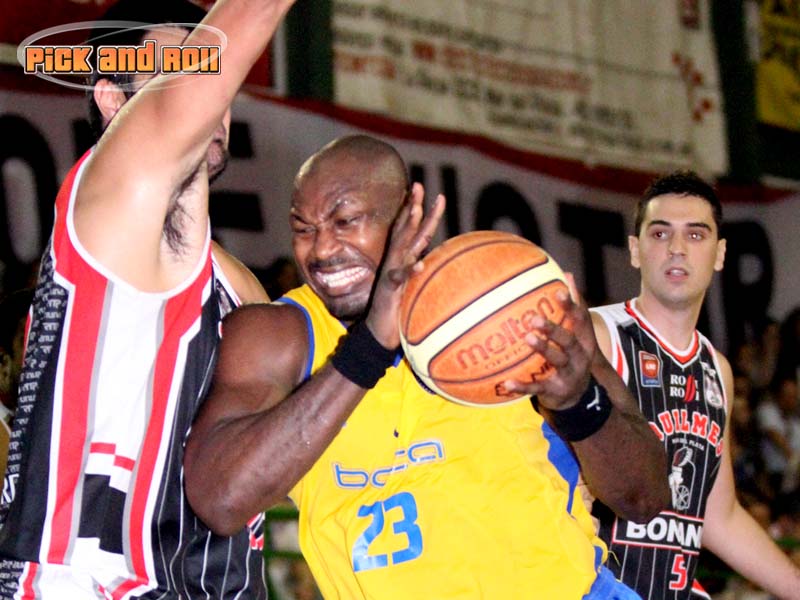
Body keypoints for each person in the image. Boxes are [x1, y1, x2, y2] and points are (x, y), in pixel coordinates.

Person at [184, 134, 670, 598]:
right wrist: (369, 348)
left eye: (345, 221)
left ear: (406, 217)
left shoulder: (514, 303)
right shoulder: (281, 336)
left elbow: (645, 500)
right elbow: (220, 501)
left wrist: (579, 403)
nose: (322, 249)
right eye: (303, 229)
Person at [0, 0, 293, 597]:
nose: (211, 94)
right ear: (113, 99)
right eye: (180, 70)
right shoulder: (108, 202)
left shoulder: (237, 285)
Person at [590, 171, 800, 599]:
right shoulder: (597, 336)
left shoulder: (717, 370)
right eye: (660, 233)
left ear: (720, 254)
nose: (677, 248)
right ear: (635, 249)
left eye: (696, 234)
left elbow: (719, 518)